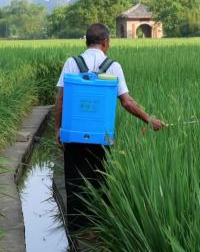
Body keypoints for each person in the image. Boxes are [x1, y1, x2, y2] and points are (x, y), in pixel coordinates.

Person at [54, 23, 164, 235]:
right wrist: (148, 119)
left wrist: (58, 128)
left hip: (74, 135)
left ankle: (76, 231)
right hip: (101, 137)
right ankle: (98, 229)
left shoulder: (71, 62)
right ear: (106, 43)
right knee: (100, 179)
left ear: (86, 42)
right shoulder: (113, 66)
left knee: (75, 181)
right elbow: (127, 102)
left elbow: (61, 99)